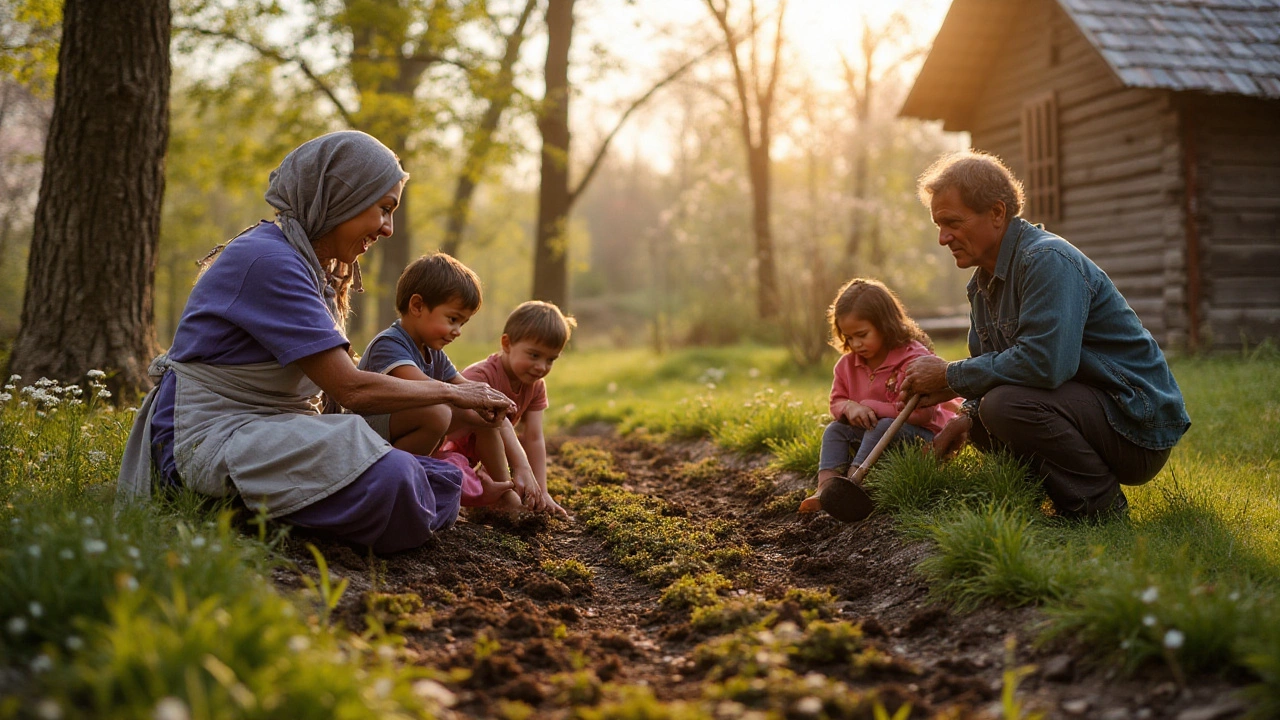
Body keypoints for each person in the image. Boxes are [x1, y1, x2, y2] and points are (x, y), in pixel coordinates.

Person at [117, 131, 515, 553]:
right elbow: (350, 389)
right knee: (398, 481)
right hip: (205, 439)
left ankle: (293, 506)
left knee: (418, 478)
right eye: (383, 209)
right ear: (341, 196)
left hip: (268, 430)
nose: (388, 228)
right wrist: (455, 394)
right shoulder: (269, 260)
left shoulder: (310, 266)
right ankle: (228, 508)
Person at [899, 150, 1190, 519]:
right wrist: (965, 417)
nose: (943, 238)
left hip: (1136, 423)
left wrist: (949, 376)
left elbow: (1045, 364)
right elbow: (994, 367)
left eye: (952, 222)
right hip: (1090, 412)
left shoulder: (1046, 260)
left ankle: (1097, 510)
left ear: (997, 212)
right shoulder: (982, 286)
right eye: (938, 225)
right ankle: (1041, 499)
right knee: (984, 418)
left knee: (1005, 406)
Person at [356, 253, 521, 510]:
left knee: (481, 415)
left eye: (463, 323)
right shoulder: (389, 344)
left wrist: (492, 400)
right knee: (437, 413)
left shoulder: (433, 353)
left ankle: (504, 493)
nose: (458, 331)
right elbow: (422, 389)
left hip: (399, 432)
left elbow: (462, 386)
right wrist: (467, 397)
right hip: (367, 438)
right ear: (418, 306)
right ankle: (405, 482)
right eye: (453, 319)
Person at [798, 278, 957, 522]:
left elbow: (923, 414)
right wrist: (850, 407)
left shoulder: (913, 360)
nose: (855, 344)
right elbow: (836, 402)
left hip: (920, 436)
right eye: (848, 337)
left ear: (885, 324)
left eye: (862, 335)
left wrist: (875, 407)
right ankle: (826, 488)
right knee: (835, 429)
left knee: (881, 425)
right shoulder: (848, 365)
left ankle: (853, 482)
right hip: (876, 435)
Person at [437, 300, 575, 518]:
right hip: (444, 454)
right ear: (507, 343)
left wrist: (543, 491)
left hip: (477, 458)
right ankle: (502, 499)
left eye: (551, 359)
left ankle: (496, 495)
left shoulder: (535, 386)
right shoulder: (479, 377)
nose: (541, 367)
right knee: (489, 422)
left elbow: (534, 437)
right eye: (534, 355)